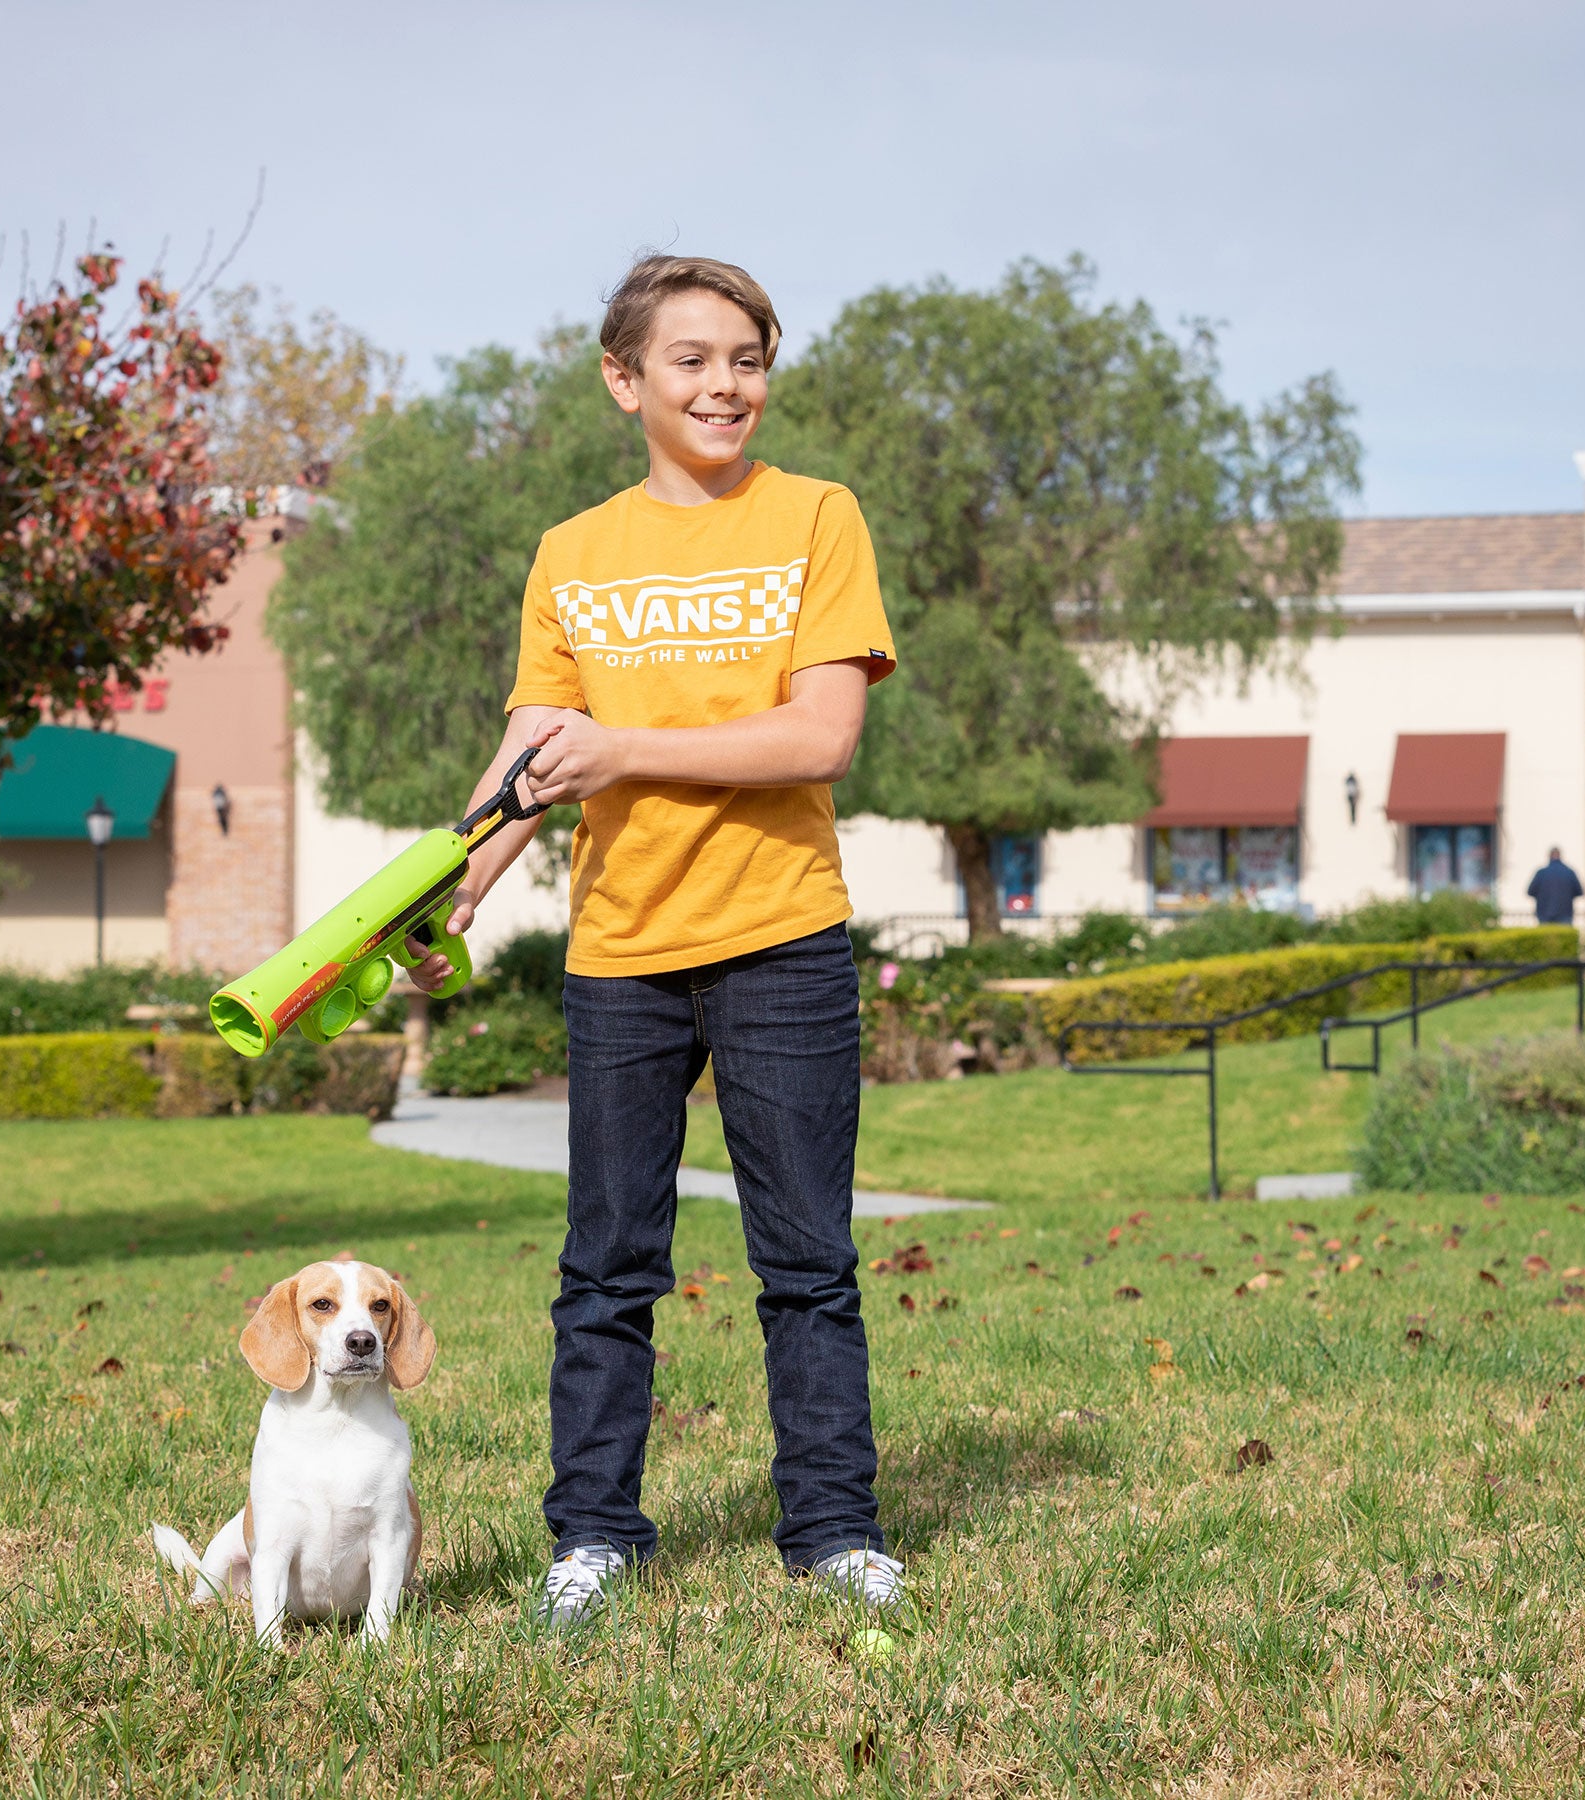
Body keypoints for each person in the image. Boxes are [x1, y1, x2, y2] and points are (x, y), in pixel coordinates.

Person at [404, 255, 902, 1629]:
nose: (724, 383)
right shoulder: (575, 552)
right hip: (620, 948)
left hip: (781, 936)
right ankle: (597, 1537)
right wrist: (452, 888)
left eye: (746, 358)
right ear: (626, 381)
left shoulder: (815, 518)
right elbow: (531, 753)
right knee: (606, 1264)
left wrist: (622, 746)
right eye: (692, 360)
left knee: (806, 1259)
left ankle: (835, 1532)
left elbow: (820, 734)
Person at [1527, 847, 1583, 925]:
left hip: (1544, 914)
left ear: (1549, 856)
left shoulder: (1541, 873)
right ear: (1560, 856)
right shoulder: (1569, 873)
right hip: (1565, 914)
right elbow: (1579, 892)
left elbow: (1530, 892)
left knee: (1545, 936)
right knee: (1564, 936)